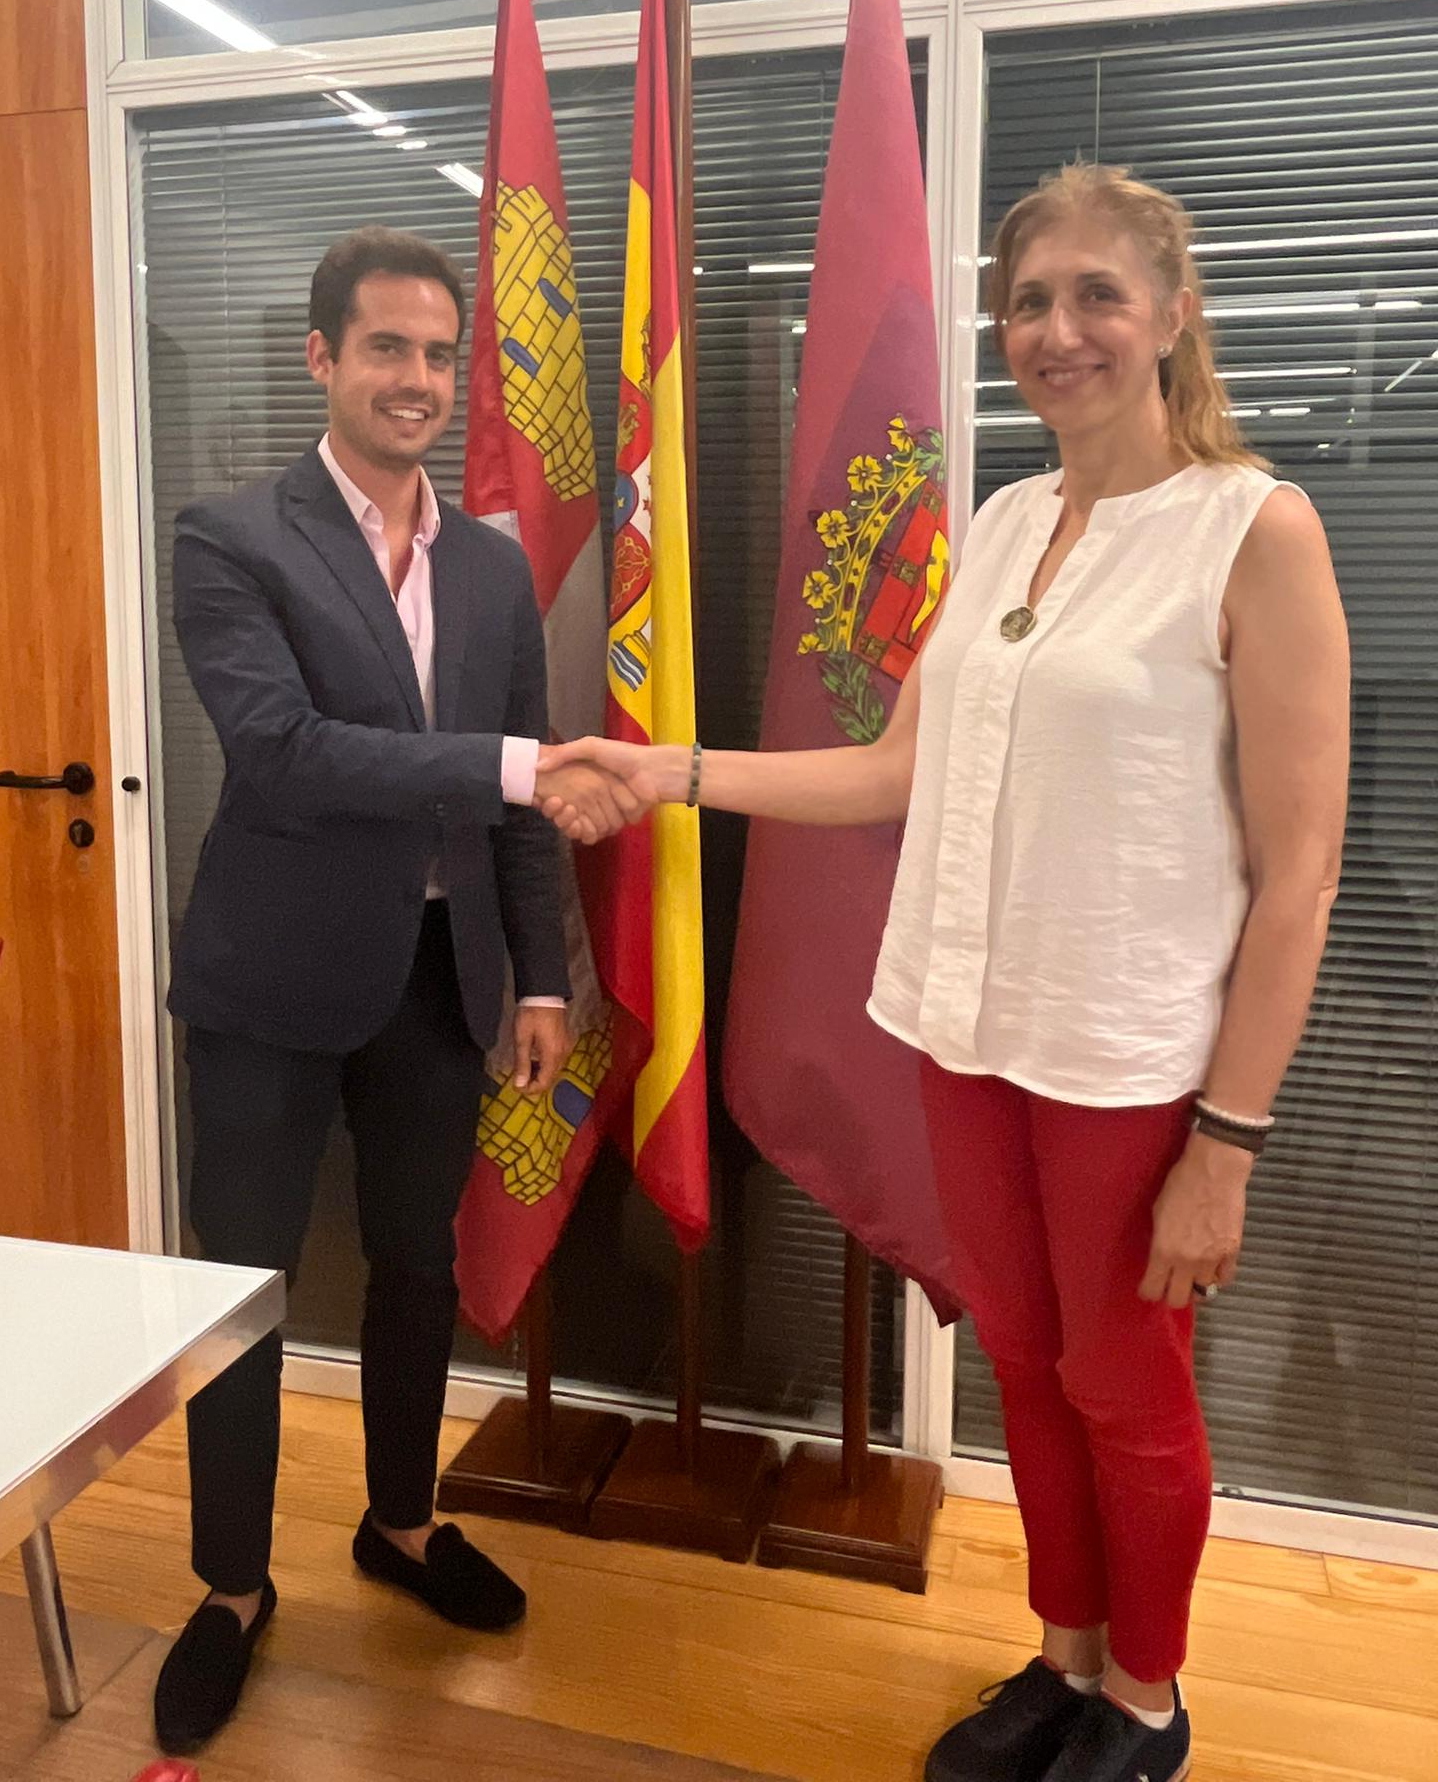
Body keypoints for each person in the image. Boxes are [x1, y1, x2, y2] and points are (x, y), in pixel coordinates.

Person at [535, 166, 1350, 1782]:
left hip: (1124, 1059)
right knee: (1028, 1369)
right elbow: (895, 771)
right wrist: (669, 771)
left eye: (1097, 294)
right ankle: (1065, 1658)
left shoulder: (1253, 529)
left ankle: (1146, 1701)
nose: (1059, 330)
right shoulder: (1002, 523)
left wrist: (1229, 1143)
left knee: (1126, 1387)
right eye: (1029, 302)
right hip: (966, 1028)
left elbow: (1302, 872)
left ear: (1173, 314)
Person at [156, 227, 635, 1756]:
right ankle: (232, 1585)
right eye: (386, 348)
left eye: (440, 353)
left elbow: (514, 811)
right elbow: (284, 754)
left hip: (443, 978)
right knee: (241, 1290)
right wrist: (512, 767)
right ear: (323, 358)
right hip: (267, 983)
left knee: (417, 1265)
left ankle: (403, 1521)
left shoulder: (489, 565)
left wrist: (542, 976)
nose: (417, 378)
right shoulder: (231, 538)